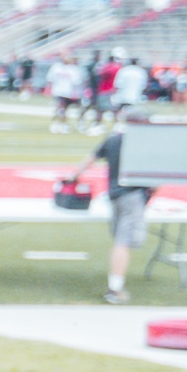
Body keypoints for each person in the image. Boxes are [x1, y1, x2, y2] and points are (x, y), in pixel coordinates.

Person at [66, 128, 154, 304]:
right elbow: (155, 177)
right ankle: (115, 289)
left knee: (120, 240)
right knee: (123, 242)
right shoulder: (144, 143)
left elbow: (91, 159)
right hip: (133, 195)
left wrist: (73, 177)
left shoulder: (113, 139)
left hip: (114, 195)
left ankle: (115, 286)